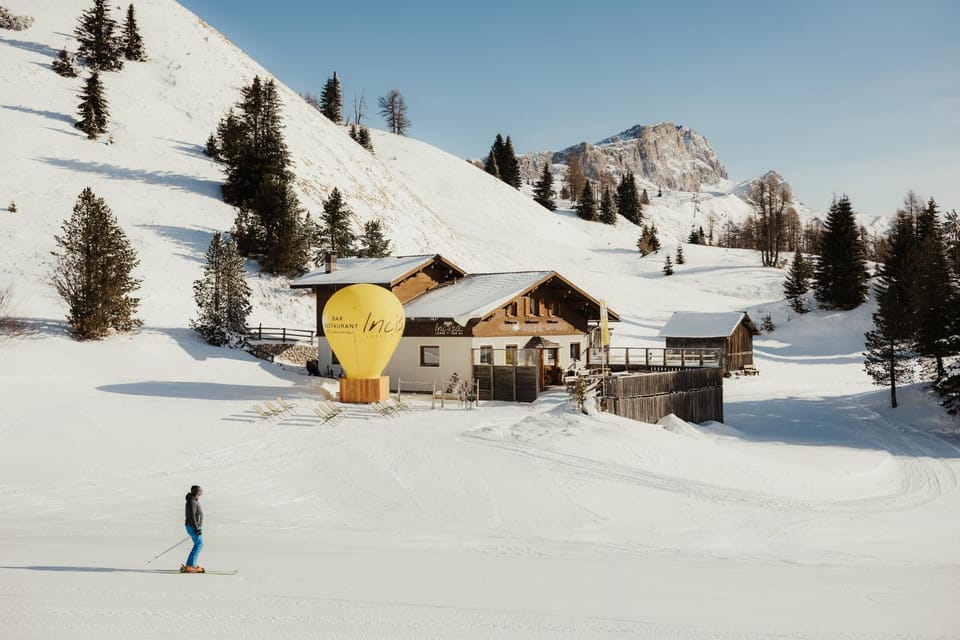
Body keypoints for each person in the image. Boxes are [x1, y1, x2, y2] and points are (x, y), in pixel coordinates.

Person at [181, 485, 204, 573]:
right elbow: (192, 516)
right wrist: (196, 528)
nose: (201, 494)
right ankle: (190, 566)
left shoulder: (194, 500)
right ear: (196, 493)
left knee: (198, 544)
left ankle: (191, 565)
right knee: (199, 544)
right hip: (192, 526)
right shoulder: (192, 501)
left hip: (194, 526)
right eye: (200, 492)